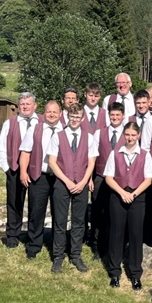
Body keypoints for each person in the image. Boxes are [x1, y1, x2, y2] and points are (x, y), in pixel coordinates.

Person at [47, 103, 98, 273]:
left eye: (78, 117)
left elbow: (91, 162)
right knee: (60, 221)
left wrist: (84, 181)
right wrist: (66, 181)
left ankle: (75, 255)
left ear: (82, 118)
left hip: (81, 184)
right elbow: (52, 162)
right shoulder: (58, 136)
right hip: (62, 184)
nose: (75, 120)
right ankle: (58, 256)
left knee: (78, 222)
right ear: (67, 117)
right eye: (72, 117)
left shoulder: (89, 137)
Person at [103, 122, 152, 290]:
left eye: (133, 135)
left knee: (136, 235)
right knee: (116, 234)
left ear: (138, 135)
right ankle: (115, 273)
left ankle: (135, 274)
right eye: (127, 135)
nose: (130, 138)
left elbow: (148, 179)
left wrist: (133, 194)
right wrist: (122, 193)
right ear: (124, 135)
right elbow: (109, 177)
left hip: (137, 197)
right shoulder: (115, 153)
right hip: (118, 196)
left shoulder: (144, 155)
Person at [18, 100, 62, 259]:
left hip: (59, 178)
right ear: (44, 113)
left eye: (54, 112)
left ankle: (57, 246)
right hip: (39, 176)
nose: (51, 115)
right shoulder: (35, 129)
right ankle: (33, 246)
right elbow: (25, 152)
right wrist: (23, 171)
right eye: (49, 112)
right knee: (36, 212)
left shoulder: (64, 130)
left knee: (59, 213)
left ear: (60, 114)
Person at [0, 92, 39, 248]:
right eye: (22, 104)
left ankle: (33, 236)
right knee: (14, 203)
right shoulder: (10, 123)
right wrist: (7, 169)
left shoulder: (41, 121)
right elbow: (1, 147)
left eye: (28, 104)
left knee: (36, 204)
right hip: (14, 169)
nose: (25, 106)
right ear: (18, 106)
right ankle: (13, 235)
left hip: (36, 170)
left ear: (35, 105)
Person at [90, 102, 126, 258]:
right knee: (99, 212)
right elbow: (93, 157)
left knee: (116, 213)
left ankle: (115, 246)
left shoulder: (128, 133)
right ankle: (97, 247)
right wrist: (90, 179)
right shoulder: (99, 133)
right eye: (112, 115)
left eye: (118, 115)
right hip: (100, 177)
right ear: (108, 115)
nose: (115, 118)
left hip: (120, 179)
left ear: (123, 116)